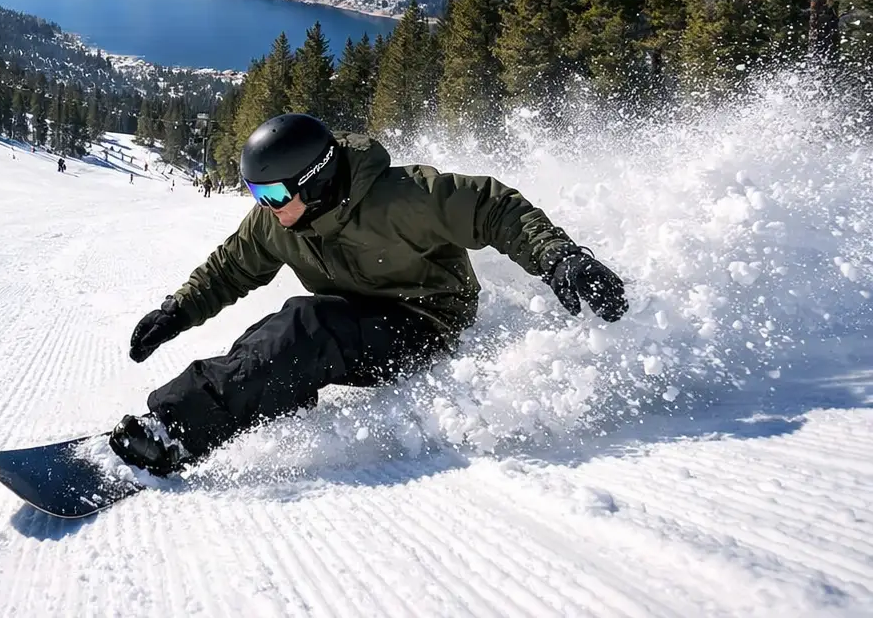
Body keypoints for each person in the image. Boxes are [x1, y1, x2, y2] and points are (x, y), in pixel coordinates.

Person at [108, 113, 629, 477]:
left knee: (304, 327)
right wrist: (175, 312)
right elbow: (229, 270)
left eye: (270, 194)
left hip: (425, 320)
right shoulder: (278, 223)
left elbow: (492, 207)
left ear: (312, 183)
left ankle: (174, 433)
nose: (262, 206)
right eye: (253, 193)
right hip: (356, 313)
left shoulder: (401, 198)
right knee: (273, 337)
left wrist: (560, 257)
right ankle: (252, 402)